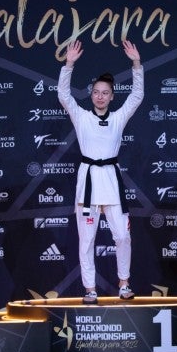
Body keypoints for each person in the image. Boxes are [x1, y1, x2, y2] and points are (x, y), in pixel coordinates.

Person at [57, 40, 144, 304]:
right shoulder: (81, 116)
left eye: (105, 92)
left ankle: (124, 283)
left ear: (111, 96)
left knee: (122, 236)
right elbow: (63, 95)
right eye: (96, 92)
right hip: (89, 183)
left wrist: (136, 65)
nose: (100, 96)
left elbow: (137, 96)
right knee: (86, 240)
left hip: (112, 182)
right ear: (91, 94)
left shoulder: (118, 117)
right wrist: (69, 65)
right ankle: (90, 289)